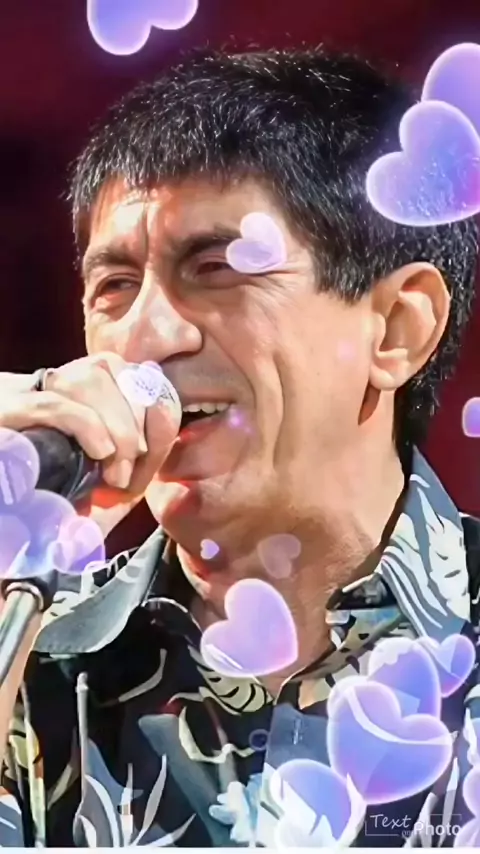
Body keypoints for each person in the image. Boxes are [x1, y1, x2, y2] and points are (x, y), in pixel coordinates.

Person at [0, 46, 479, 848]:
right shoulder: (32, 651)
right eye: (114, 287)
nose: (144, 339)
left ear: (397, 329)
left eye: (217, 267)